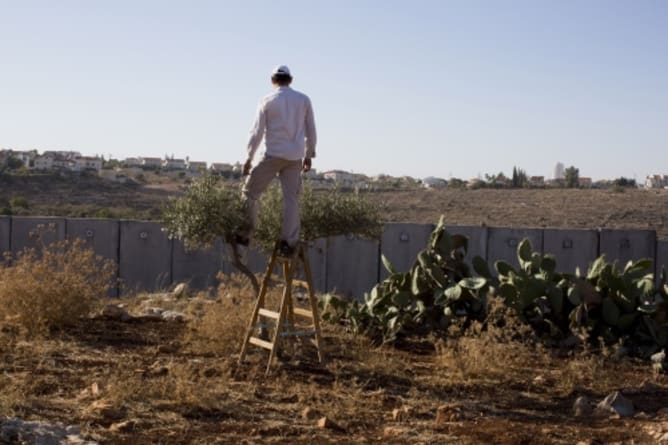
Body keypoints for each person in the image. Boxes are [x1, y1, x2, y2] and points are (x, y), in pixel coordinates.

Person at [237, 65, 317, 258]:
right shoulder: (303, 100)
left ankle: (245, 234)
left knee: (250, 193)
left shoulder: (267, 100)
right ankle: (288, 243)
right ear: (290, 80)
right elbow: (311, 130)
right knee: (291, 200)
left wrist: (249, 158)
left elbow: (257, 132)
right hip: (294, 157)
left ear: (273, 80)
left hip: (272, 154)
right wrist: (309, 154)